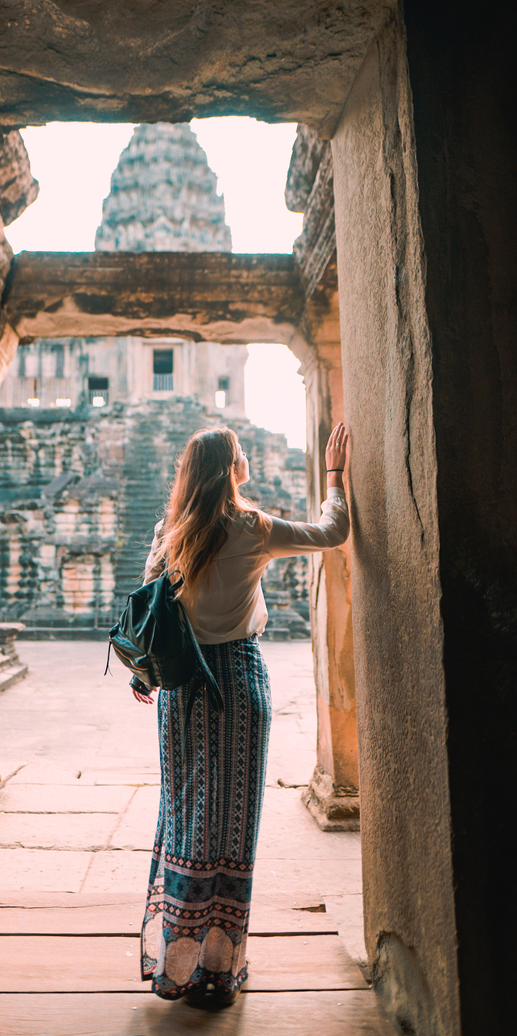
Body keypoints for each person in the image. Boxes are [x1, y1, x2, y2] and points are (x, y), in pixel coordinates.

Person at [130, 422, 350, 1006]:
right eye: (240, 454)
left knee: (184, 815)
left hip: (181, 691)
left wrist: (143, 673)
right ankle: (219, 970)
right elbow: (333, 532)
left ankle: (175, 965)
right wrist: (334, 477)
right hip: (238, 684)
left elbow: (148, 610)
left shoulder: (172, 530)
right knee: (230, 822)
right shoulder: (251, 526)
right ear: (231, 467)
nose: (247, 458)